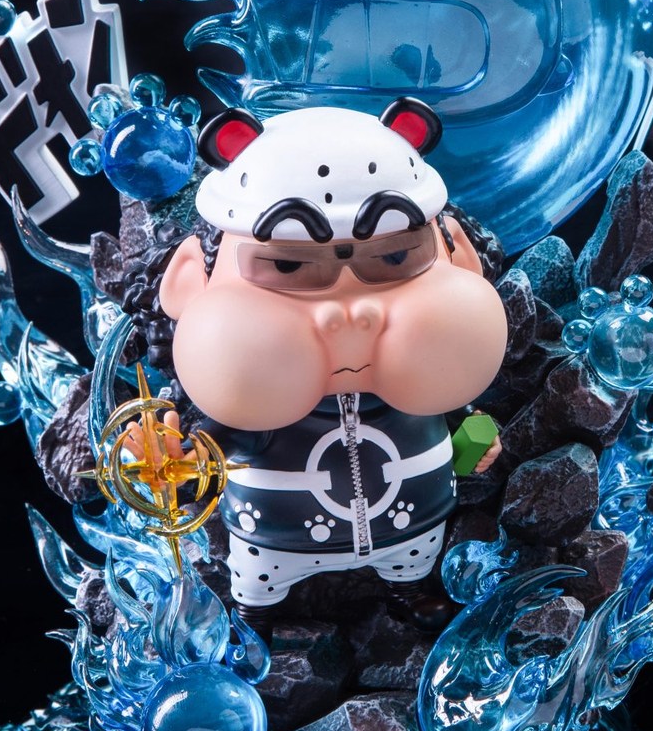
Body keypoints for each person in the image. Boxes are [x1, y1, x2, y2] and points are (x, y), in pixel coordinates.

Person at [156, 96, 507, 608]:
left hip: (412, 525)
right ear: (190, 281)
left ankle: (410, 592)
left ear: (461, 254)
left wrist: (475, 441)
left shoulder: (423, 388)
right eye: (289, 267)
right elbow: (206, 451)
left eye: (393, 258)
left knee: (414, 565)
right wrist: (174, 459)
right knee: (258, 585)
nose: (349, 313)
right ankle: (256, 616)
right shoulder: (253, 408)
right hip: (276, 538)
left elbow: (463, 432)